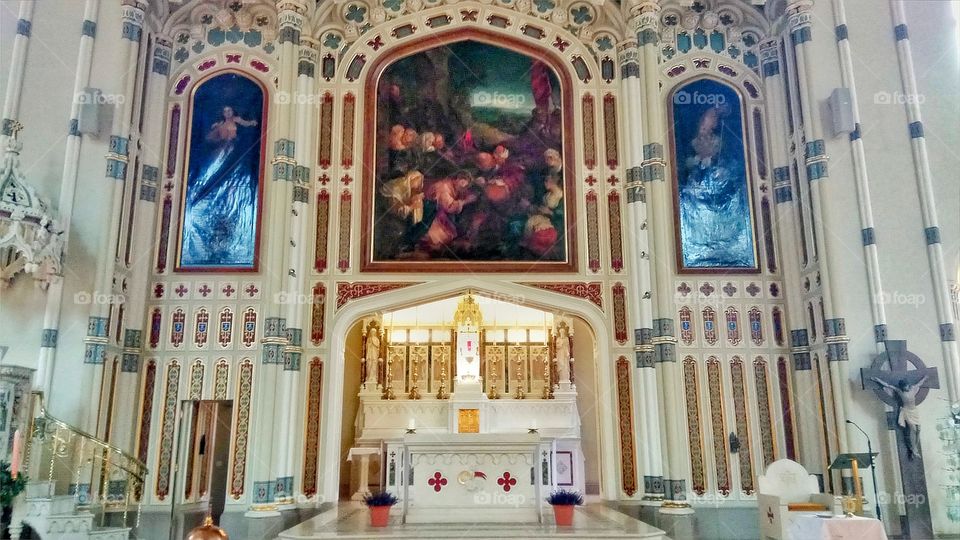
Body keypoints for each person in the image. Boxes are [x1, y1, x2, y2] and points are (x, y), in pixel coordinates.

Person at [182, 105, 260, 266]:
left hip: (233, 153)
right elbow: (209, 139)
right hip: (221, 152)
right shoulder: (218, 125)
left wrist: (252, 123)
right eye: (225, 111)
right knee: (212, 175)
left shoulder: (236, 121)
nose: (228, 113)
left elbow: (246, 123)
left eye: (230, 110)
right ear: (223, 113)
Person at [871, 375, 929, 459]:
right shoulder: (899, 391)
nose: (906, 388)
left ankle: (915, 447)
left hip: (914, 411)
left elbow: (919, 384)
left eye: (906, 386)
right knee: (913, 429)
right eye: (904, 387)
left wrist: (925, 378)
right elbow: (887, 385)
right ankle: (914, 449)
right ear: (902, 387)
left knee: (919, 430)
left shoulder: (912, 388)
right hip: (907, 411)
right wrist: (877, 380)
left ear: (908, 385)